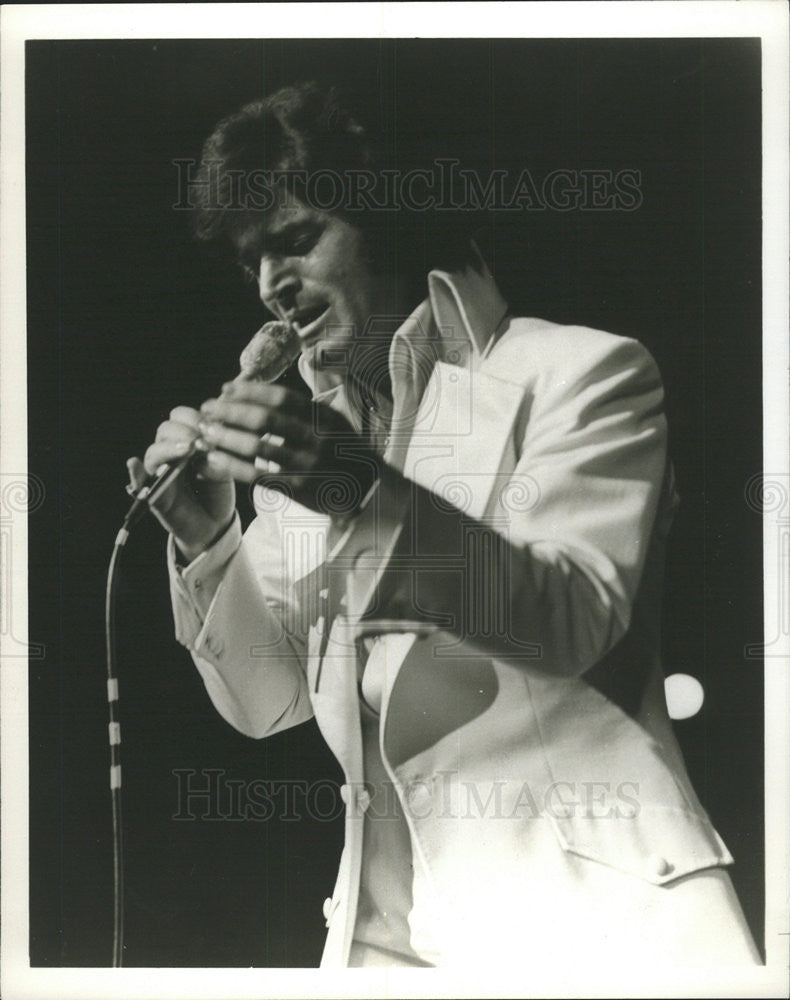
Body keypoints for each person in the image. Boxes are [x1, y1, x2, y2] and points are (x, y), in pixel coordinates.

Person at [127, 82, 760, 969]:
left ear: (386, 219)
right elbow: (268, 704)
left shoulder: (579, 374)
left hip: (594, 934)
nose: (271, 286)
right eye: (249, 263)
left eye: (296, 240)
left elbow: (569, 618)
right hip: (387, 948)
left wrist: (361, 491)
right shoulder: (306, 459)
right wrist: (208, 539)